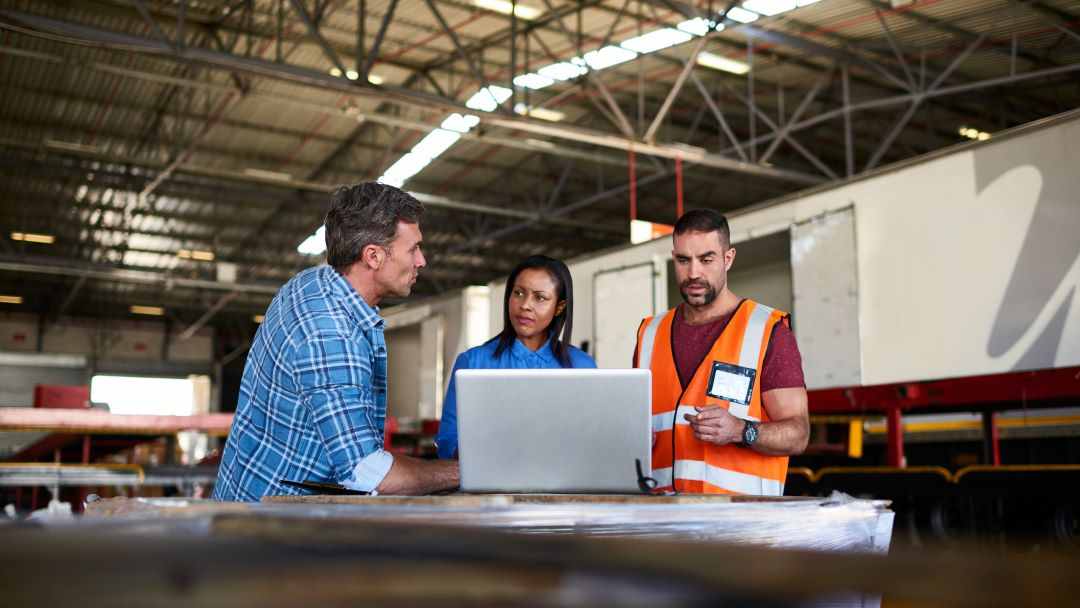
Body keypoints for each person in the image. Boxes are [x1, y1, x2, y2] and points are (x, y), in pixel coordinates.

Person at [213, 183, 459, 501]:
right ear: (373, 256)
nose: (421, 261)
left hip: (252, 501)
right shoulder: (330, 334)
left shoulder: (311, 283)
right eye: (413, 249)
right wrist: (462, 472)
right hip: (269, 529)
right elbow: (370, 474)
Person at [633, 209, 808, 495]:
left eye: (706, 259)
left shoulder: (767, 331)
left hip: (739, 528)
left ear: (728, 259)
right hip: (662, 522)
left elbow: (798, 434)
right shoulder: (649, 334)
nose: (693, 273)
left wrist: (741, 430)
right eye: (683, 260)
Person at [435, 255, 596, 459]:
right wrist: (484, 453)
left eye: (540, 297)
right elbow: (447, 440)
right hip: (491, 486)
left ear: (559, 307)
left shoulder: (582, 366)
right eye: (518, 293)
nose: (525, 305)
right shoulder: (472, 362)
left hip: (564, 486)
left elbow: (592, 439)